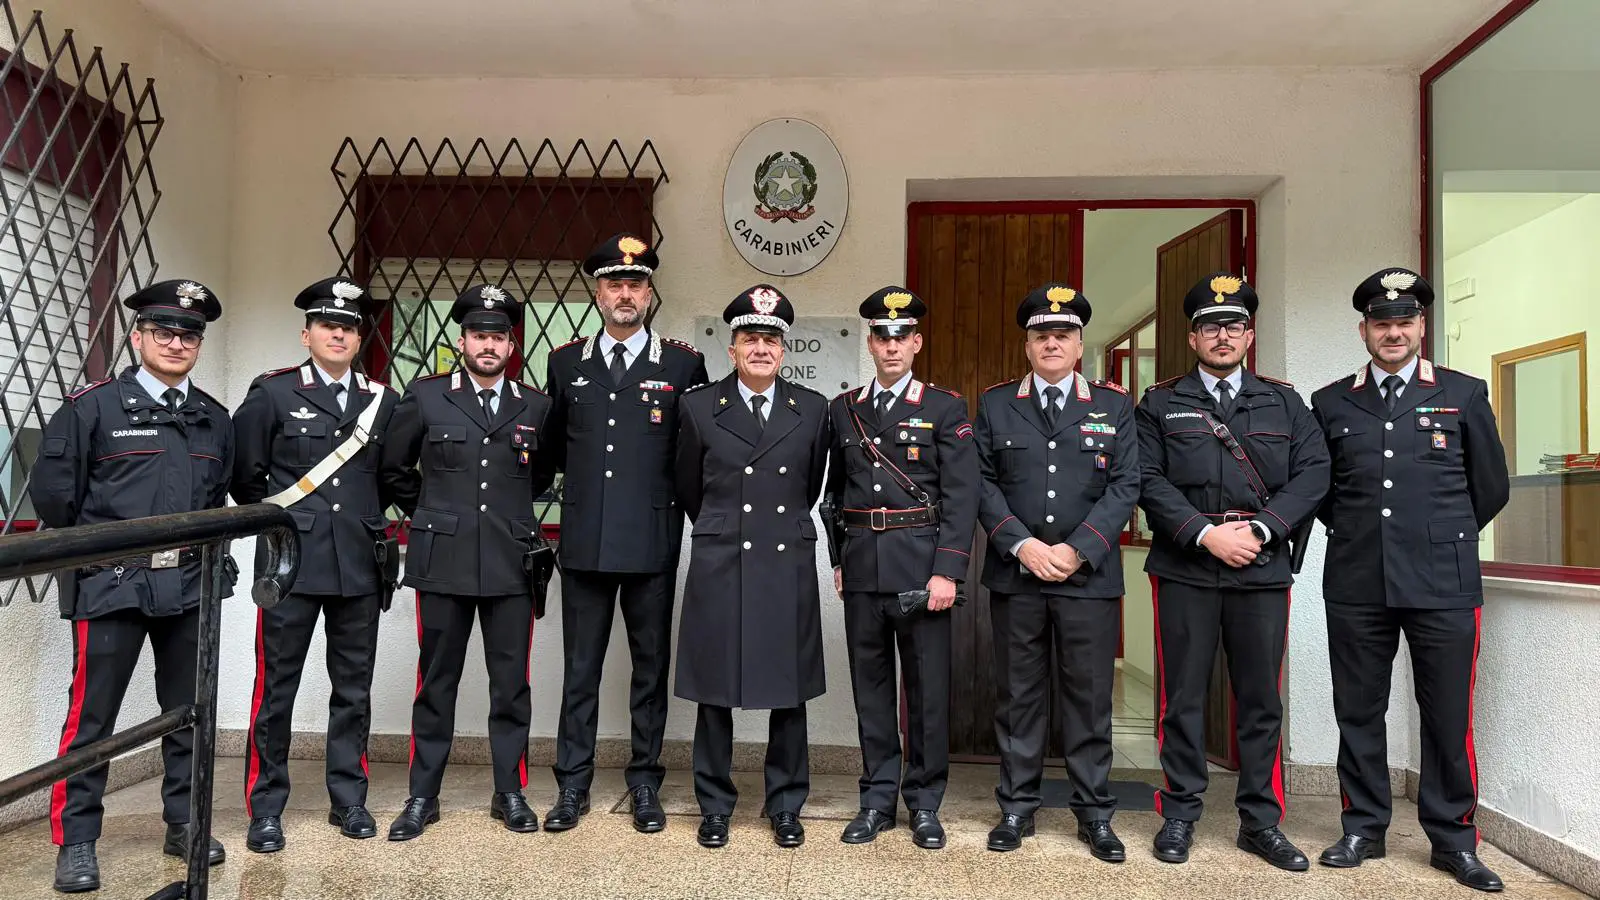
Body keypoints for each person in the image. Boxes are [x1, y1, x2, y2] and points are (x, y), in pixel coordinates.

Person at [1311, 268, 1509, 893]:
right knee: (1359, 711)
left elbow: (1491, 488)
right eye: (1381, 322)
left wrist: (1437, 537)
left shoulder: (1465, 393)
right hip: (1357, 578)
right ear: (1364, 329)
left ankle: (1454, 840)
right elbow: (1323, 491)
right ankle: (1363, 828)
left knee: (1447, 715)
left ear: (1422, 325)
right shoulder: (1332, 401)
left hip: (1444, 582)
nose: (1392, 332)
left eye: (1404, 321)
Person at [32, 280, 231, 894]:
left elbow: (218, 494)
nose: (177, 343)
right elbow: (56, 499)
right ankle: (77, 840)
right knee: (92, 718)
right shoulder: (91, 409)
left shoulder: (213, 418)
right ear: (138, 336)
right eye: (164, 332)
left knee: (188, 715)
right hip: (111, 585)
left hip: (190, 585)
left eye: (189, 335)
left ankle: (186, 823)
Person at [1135, 273, 1329, 871]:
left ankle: (1261, 822)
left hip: (1261, 569)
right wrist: (1205, 533)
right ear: (1191, 337)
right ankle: (1180, 813)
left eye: (1234, 325)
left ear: (1250, 334)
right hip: (1187, 566)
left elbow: (1314, 473)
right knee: (1182, 699)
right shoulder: (1160, 403)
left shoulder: (1285, 402)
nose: (1222, 335)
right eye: (1209, 326)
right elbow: (1145, 477)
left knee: (1261, 700)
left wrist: (1262, 528)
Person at [540, 234, 707, 834]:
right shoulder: (567, 363)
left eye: (635, 284)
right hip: (584, 539)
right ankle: (572, 785)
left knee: (648, 669)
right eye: (615, 284)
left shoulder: (682, 364)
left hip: (651, 540)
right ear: (597, 291)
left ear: (649, 292)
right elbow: (550, 449)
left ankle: (644, 783)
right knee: (580, 668)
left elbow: (693, 457)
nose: (625, 294)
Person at [230, 277, 401, 852]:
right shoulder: (272, 395)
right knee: (276, 689)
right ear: (306, 334)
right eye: (328, 324)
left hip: (357, 563)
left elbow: (390, 477)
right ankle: (265, 807)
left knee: (353, 689)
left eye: (349, 327)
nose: (338, 334)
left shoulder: (383, 401)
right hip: (289, 567)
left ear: (359, 339)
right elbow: (246, 479)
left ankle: (348, 798)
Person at [378, 284, 554, 841]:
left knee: (511, 686)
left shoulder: (536, 405)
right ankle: (422, 796)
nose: (488, 344)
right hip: (444, 560)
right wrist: (430, 514)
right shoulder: (427, 398)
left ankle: (511, 792)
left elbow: (542, 476)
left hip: (510, 562)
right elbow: (393, 468)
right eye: (479, 334)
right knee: (437, 682)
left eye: (498, 336)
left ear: (511, 345)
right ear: (462, 340)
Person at [972, 284, 1139, 860]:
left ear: (1078, 343)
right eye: (1041, 334)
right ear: (1027, 344)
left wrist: (1078, 548)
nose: (1051, 343)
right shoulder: (996, 404)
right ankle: (1017, 807)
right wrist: (1022, 546)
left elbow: (1126, 484)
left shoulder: (1115, 405)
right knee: (1018, 696)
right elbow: (982, 482)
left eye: (1062, 334)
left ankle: (1094, 813)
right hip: (1017, 576)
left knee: (1089, 697)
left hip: (1088, 578)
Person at [673, 284, 831, 849]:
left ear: (783, 350)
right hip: (721, 557)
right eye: (749, 338)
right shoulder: (697, 407)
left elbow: (809, 487)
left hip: (783, 560)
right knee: (715, 688)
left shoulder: (812, 409)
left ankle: (786, 804)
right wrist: (723, 527)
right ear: (731, 348)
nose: (760, 348)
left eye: (770, 339)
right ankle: (714, 805)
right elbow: (690, 486)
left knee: (788, 689)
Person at [823, 286, 977, 850]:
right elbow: (833, 496)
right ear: (870, 342)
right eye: (881, 337)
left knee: (927, 692)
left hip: (920, 569)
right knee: (871, 689)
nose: (890, 347)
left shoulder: (943, 407)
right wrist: (839, 561)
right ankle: (876, 800)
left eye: (901, 337)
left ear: (917, 342)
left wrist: (948, 572)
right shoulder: (845, 410)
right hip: (863, 566)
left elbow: (962, 498)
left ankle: (925, 802)